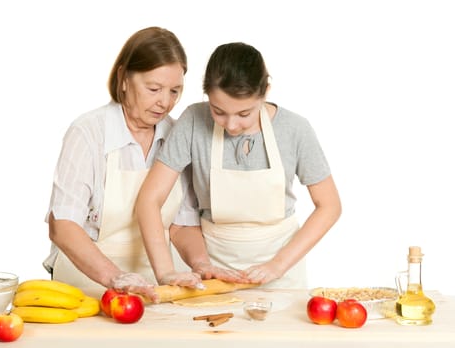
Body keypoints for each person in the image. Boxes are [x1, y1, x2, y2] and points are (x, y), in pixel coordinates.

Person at [136, 42, 342, 289]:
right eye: (218, 111)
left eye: (244, 114)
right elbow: (149, 199)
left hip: (283, 273)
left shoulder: (295, 130)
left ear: (265, 91)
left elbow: (329, 206)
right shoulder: (192, 121)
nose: (231, 125)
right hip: (213, 272)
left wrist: (277, 266)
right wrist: (166, 272)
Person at [43, 27, 196, 300]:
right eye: (154, 88)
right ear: (123, 78)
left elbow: (182, 226)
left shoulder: (178, 136)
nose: (165, 102)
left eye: (175, 91)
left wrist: (201, 267)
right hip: (90, 277)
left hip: (157, 278)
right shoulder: (89, 132)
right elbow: (63, 226)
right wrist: (115, 277)